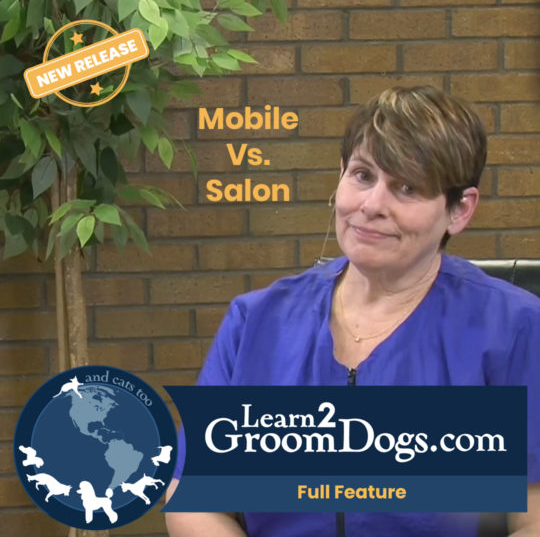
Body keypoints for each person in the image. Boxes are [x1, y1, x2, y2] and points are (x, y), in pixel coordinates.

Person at [165, 85, 540, 536]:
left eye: (407, 187)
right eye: (363, 175)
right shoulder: (256, 322)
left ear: (459, 210)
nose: (372, 205)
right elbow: (194, 501)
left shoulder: (514, 329)